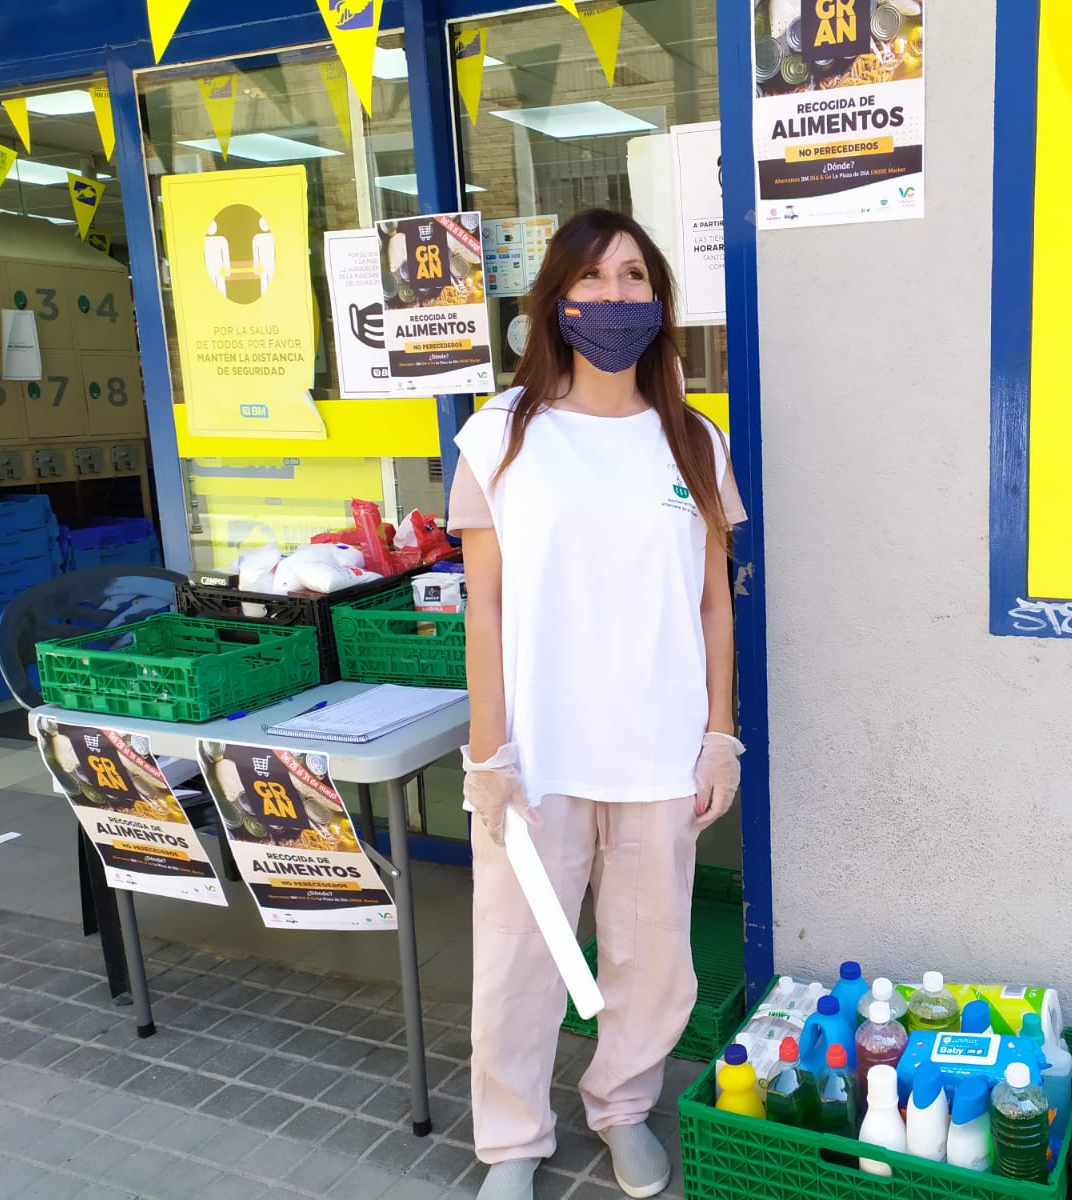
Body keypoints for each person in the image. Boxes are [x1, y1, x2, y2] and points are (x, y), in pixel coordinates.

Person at [447, 207, 747, 1200]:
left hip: (660, 753)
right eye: (593, 278)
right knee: (519, 960)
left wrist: (718, 736)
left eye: (633, 278)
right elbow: (482, 608)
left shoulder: (693, 439)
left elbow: (713, 601)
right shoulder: (501, 435)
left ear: (657, 301)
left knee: (653, 960)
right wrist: (488, 755)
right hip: (540, 754)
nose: (614, 297)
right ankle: (512, 1142)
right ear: (555, 300)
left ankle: (620, 1109)